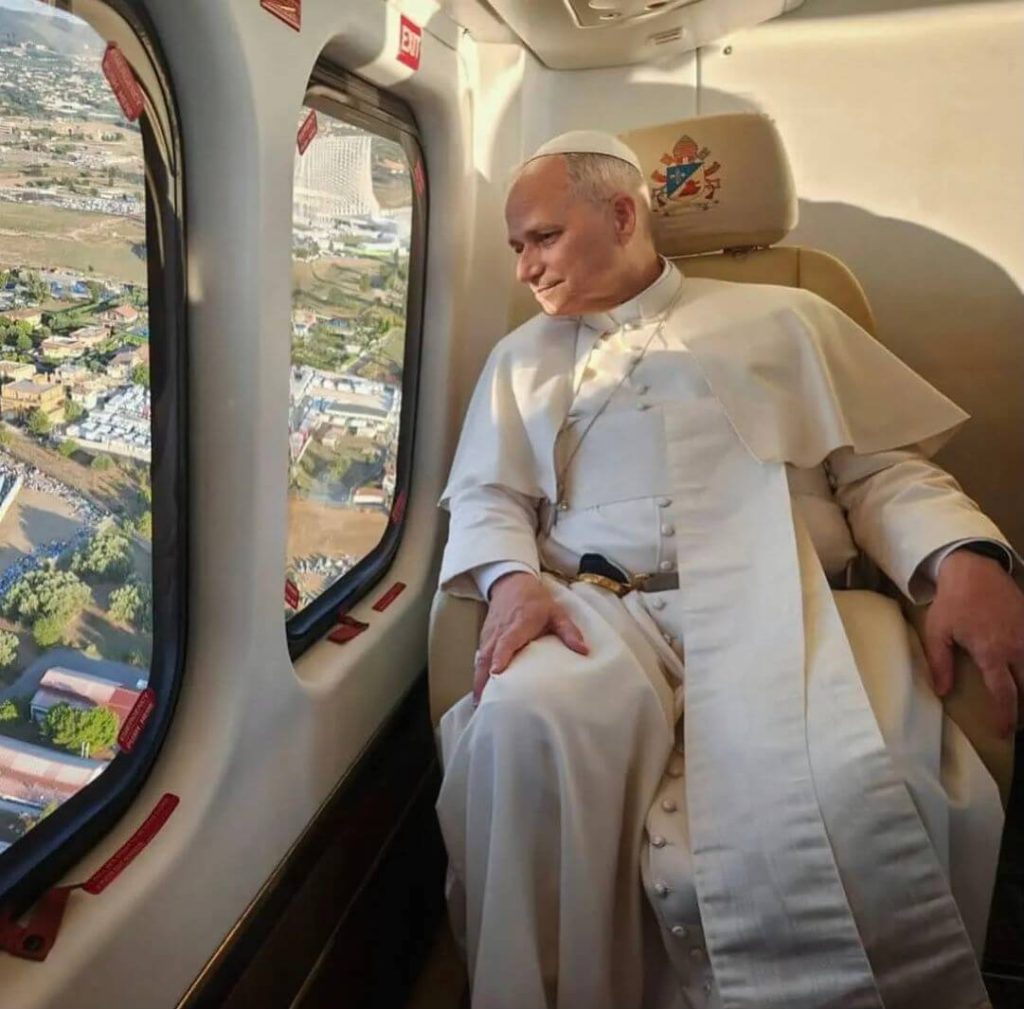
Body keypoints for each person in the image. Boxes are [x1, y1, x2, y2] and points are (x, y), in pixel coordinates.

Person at [434, 129, 1024, 1009]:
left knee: (862, 789)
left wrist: (963, 555)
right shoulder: (518, 359)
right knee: (519, 729)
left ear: (622, 216)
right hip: (599, 612)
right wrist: (513, 581)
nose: (525, 268)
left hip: (791, 602)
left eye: (543, 238)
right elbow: (488, 497)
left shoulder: (788, 316)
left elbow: (880, 473)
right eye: (516, 246)